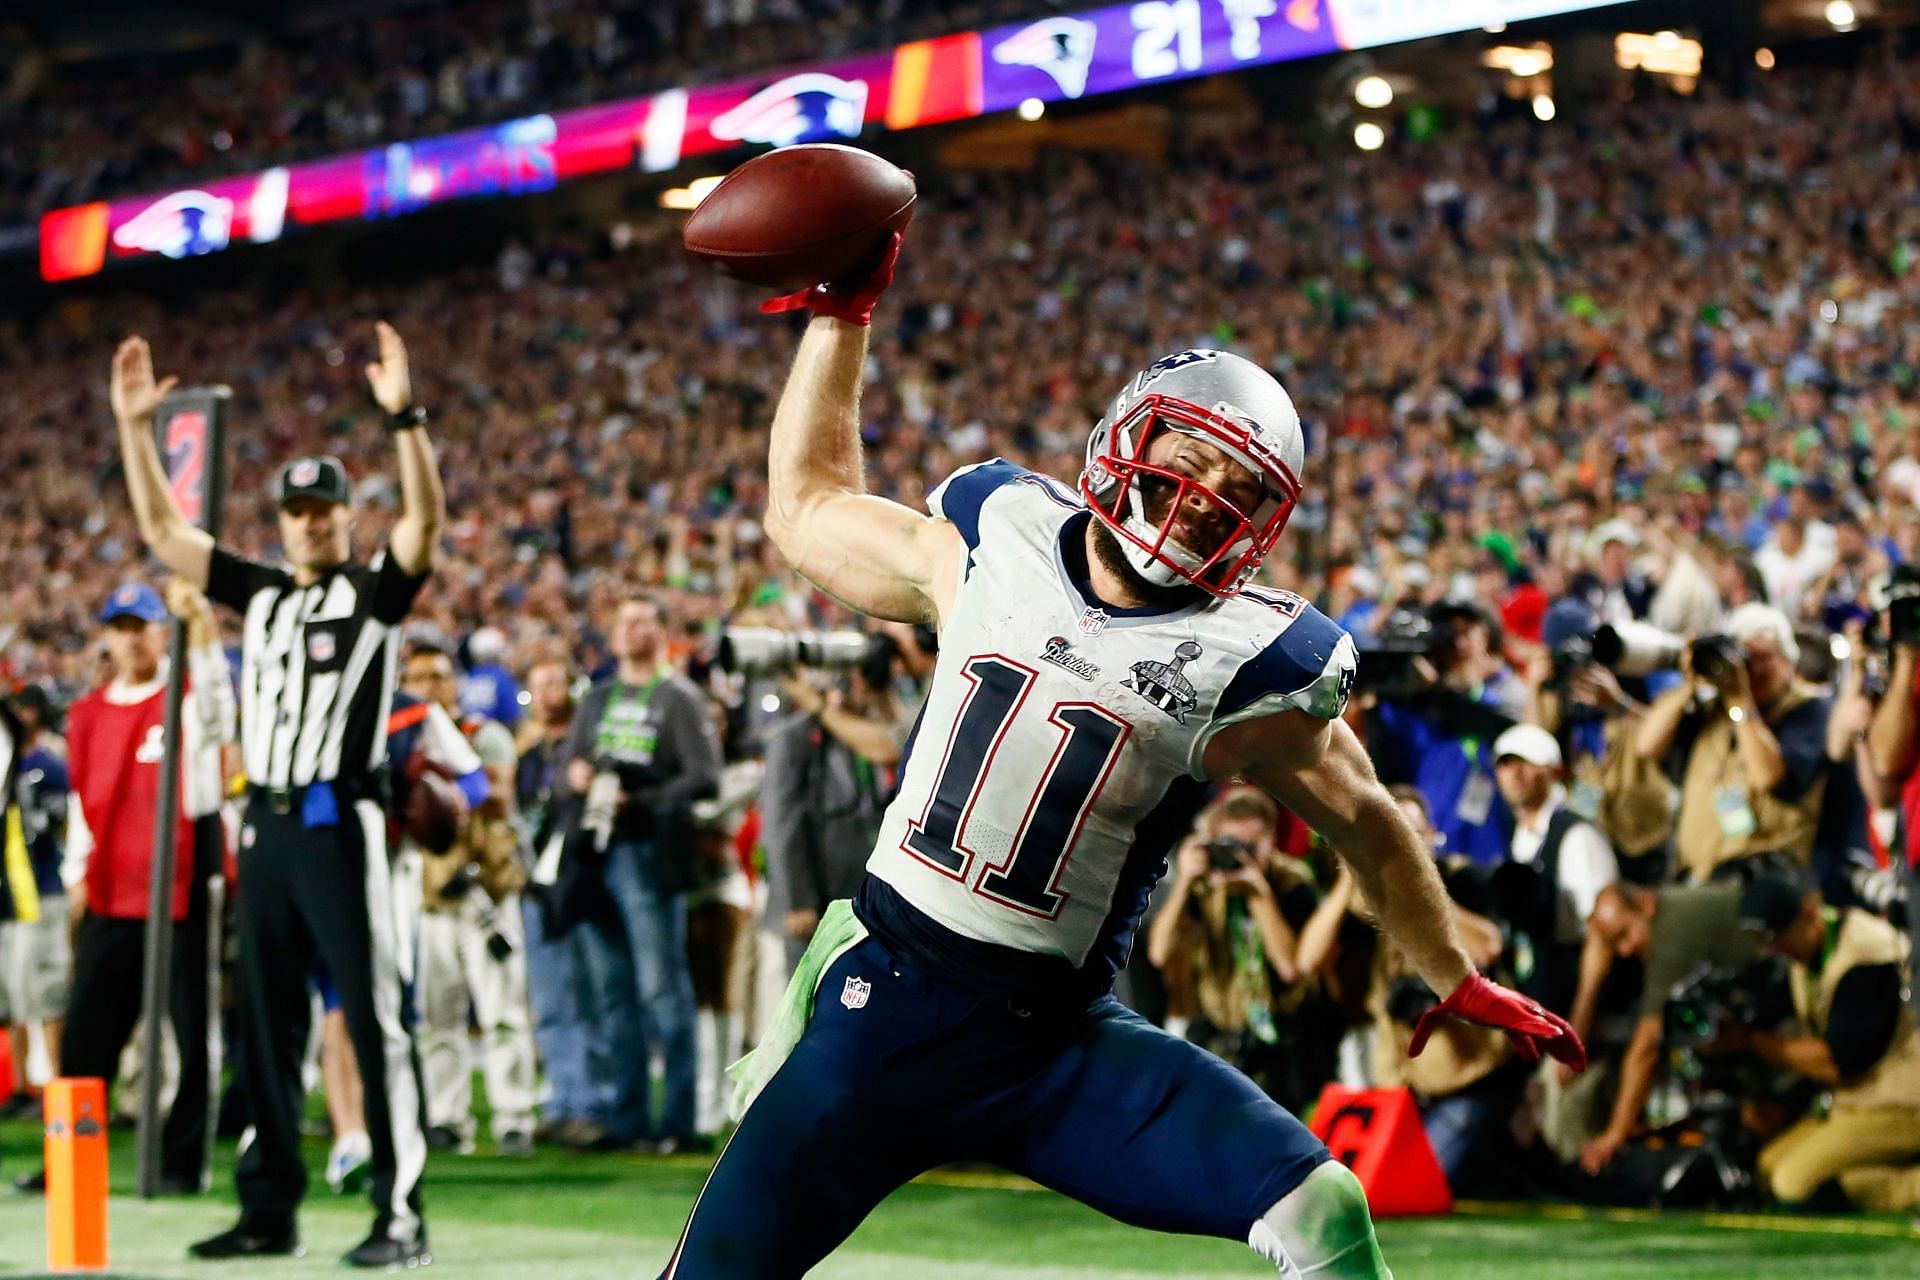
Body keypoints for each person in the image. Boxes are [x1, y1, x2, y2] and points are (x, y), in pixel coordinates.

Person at [663, 241, 1581, 1278]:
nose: (1201, 496)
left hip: (1050, 1042)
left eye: (1237, 486)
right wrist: (843, 315)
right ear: (1127, 435)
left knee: (1323, 1204)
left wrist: (1451, 971)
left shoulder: (1253, 662)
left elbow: (1366, 816)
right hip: (885, 1005)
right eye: (1190, 460)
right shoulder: (993, 530)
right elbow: (808, 506)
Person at [109, 326, 444, 1267]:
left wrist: (404, 419)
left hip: (346, 822)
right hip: (266, 822)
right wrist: (135, 430)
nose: (306, 523)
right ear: (282, 518)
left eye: (321, 510)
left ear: (343, 518)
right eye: (293, 510)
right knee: (263, 1021)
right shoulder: (259, 593)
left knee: (373, 1021)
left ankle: (400, 1214)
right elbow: (166, 537)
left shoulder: (375, 596)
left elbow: (424, 526)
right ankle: (269, 1209)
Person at [27, 581, 234, 1196]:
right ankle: (68, 1158)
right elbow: (84, 810)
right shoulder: (87, 715)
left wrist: (203, 637)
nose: (132, 637)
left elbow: (218, 722)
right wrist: (77, 881)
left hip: (182, 887)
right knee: (87, 1033)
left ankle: (182, 1161)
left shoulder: (189, 698)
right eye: (120, 626)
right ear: (108, 637)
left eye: (141, 625)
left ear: (160, 632)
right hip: (112, 892)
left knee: (191, 1031)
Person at [561, 594, 722, 1152]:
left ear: (661, 630)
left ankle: (677, 1122)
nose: (630, 629)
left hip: (648, 852)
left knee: (661, 988)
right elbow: (564, 771)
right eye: (622, 621)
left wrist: (642, 797)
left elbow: (706, 778)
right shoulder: (597, 698)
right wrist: (578, 777)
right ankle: (625, 1117)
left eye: (642, 620)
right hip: (595, 855)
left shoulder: (679, 698)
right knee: (610, 991)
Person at [402, 641, 536, 1156]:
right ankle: (447, 1117)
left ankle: (513, 1116)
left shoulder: (484, 734)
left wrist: (440, 786)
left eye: (439, 676)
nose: (430, 687)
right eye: (419, 678)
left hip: (485, 888)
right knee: (439, 1016)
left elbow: (499, 794)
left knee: (502, 1011)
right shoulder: (406, 740)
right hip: (435, 890)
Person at [1727, 871, 1920, 1212]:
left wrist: (1751, 1041)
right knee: (1770, 1165)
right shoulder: (1807, 953)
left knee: (1794, 1184)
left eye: (1776, 936)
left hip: (1901, 1104)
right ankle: (1861, 1182)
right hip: (1852, 1104)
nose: (1774, 949)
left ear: (1810, 913)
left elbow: (1839, 1062)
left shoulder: (1868, 952)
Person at [1633, 604, 1831, 883]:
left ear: (1789, 662)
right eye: (1745, 658)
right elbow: (1646, 745)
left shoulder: (1810, 709)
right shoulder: (1715, 707)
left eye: (1764, 658)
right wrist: (1691, 681)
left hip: (1766, 880)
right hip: (1701, 873)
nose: (1753, 670)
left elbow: (1768, 777)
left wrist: (1740, 701)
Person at [1573, 883, 1759, 1175]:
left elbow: (1645, 1049)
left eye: (1625, 934)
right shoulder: (1670, 913)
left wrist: (1614, 1136)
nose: (1624, 950)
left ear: (1646, 905)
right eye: (1614, 944)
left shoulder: (1672, 932)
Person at [514, 656, 604, 1149]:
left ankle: (593, 1104)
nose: (548, 691)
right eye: (539, 682)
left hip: (581, 885)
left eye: (555, 680)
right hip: (539, 888)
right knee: (549, 1003)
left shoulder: (588, 751)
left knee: (587, 999)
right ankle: (562, 1103)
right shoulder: (529, 757)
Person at [1489, 724, 1619, 1017]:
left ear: (1554, 770)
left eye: (1527, 763)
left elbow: (1602, 938)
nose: (1515, 774)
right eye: (1506, 764)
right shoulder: (1517, 836)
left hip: (1576, 996)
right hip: (1539, 993)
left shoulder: (1577, 836)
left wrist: (1580, 1021)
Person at [0, 685, 70, 1116]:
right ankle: (22, 1085)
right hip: (8, 897)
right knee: (12, 998)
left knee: (45, 996)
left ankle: (56, 1086)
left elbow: (60, 827)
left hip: (40, 892)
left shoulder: (47, 765)